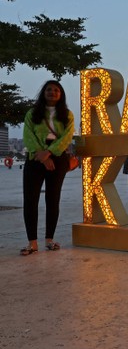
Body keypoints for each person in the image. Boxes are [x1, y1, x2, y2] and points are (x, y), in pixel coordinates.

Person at [21, 80, 75, 255]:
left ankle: (49, 239)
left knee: (53, 199)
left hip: (57, 158)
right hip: (35, 157)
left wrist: (49, 153)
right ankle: (32, 243)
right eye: (49, 89)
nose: (52, 92)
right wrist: (41, 155)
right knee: (30, 200)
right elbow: (28, 135)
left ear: (61, 94)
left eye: (56, 90)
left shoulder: (67, 114)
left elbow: (67, 137)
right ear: (43, 92)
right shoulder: (33, 113)